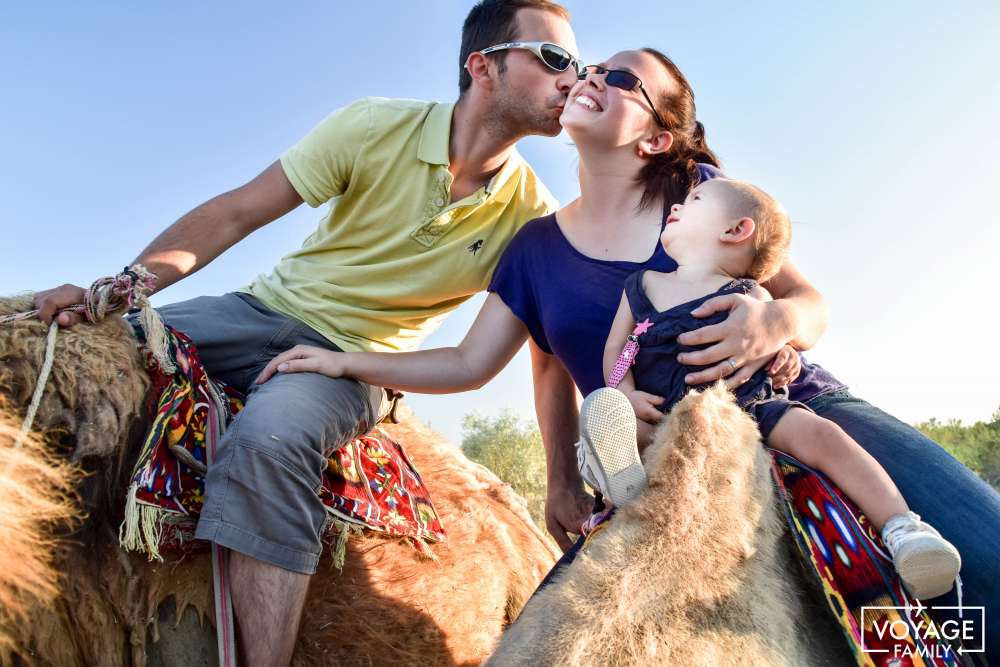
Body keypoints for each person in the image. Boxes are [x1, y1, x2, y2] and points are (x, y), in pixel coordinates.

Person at [257, 47, 1000, 654]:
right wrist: (346, 361)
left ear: (656, 138)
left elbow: (811, 305)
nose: (590, 77)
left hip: (793, 406)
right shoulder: (533, 248)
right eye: (590, 69)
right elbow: (492, 364)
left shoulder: (704, 195)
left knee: (986, 561)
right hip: (652, 457)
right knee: (549, 646)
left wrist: (771, 325)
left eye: (620, 79)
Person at [31, 2, 581, 663]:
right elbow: (238, 211)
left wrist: (560, 482)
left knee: (270, 439)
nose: (574, 79)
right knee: (81, 351)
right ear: (483, 66)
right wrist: (115, 291)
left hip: (358, 362)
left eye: (578, 65)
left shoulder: (534, 220)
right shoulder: (373, 125)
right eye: (555, 60)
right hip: (259, 308)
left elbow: (547, 355)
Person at [575, 177, 960, 600]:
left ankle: (902, 528)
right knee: (613, 412)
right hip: (663, 415)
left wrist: (784, 354)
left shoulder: (752, 294)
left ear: (736, 231)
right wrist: (623, 391)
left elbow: (777, 343)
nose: (679, 205)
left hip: (748, 410)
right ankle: (618, 477)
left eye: (696, 199)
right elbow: (618, 346)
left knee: (821, 435)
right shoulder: (643, 285)